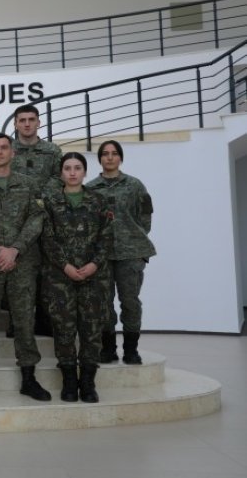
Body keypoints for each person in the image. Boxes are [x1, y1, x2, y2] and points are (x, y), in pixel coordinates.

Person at [0, 133, 51, 402]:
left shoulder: (29, 184)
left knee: (24, 320)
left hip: (22, 262)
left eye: (4, 147)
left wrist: (15, 249)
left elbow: (36, 219)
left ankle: (29, 379)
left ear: (12, 152)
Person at [42, 152, 113, 403]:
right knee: (63, 330)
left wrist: (94, 264)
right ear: (61, 173)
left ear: (84, 171)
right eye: (68, 168)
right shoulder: (50, 202)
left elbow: (107, 237)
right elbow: (47, 238)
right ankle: (69, 382)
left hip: (94, 277)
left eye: (77, 168)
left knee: (92, 330)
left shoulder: (99, 201)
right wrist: (65, 266)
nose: (72, 173)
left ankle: (88, 383)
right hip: (60, 277)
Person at [88, 140, 156, 365]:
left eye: (114, 153)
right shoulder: (91, 188)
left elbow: (145, 216)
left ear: (120, 157)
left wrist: (134, 238)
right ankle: (108, 349)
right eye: (105, 153)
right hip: (102, 256)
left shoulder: (135, 185)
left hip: (131, 254)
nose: (109, 157)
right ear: (100, 158)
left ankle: (131, 350)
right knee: (103, 303)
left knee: (130, 302)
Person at [11, 104, 63, 337]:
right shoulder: (7, 149)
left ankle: (44, 320)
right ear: (15, 124)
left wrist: (39, 197)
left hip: (46, 218)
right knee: (17, 272)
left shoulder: (52, 151)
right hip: (14, 219)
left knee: (47, 271)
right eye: (22, 120)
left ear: (39, 122)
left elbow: (59, 178)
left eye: (31, 119)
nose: (27, 124)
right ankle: (17, 322)